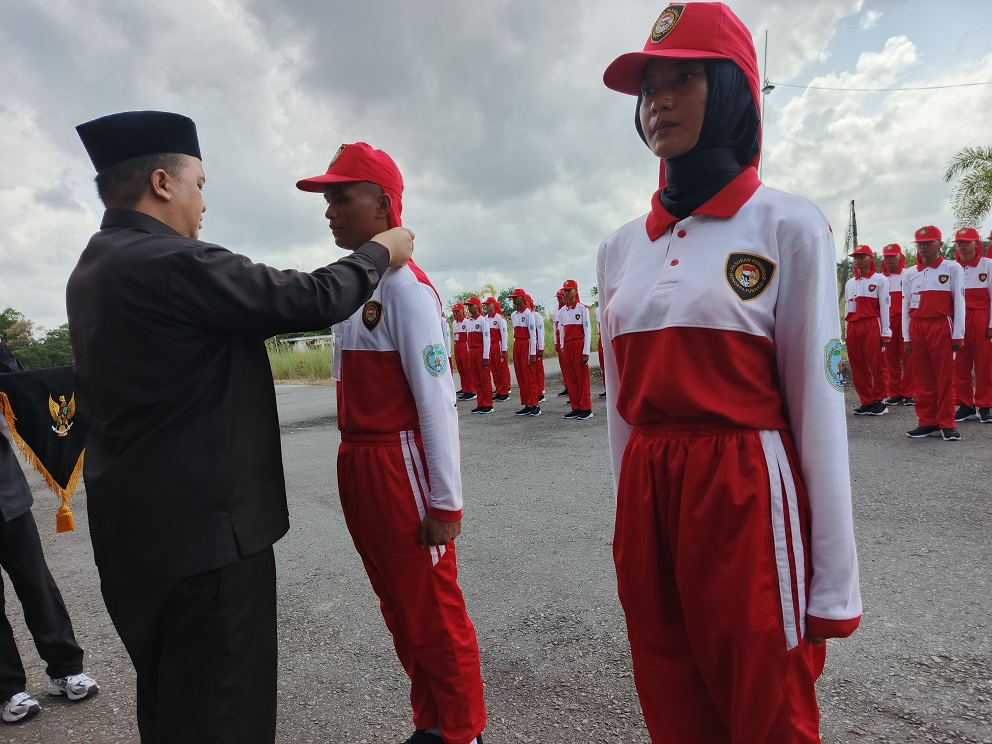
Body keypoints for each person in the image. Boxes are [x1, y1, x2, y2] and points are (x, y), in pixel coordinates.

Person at [66, 111, 413, 743]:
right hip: (203, 545)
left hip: (139, 540)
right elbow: (304, 297)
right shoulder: (169, 261)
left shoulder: (96, 265)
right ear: (164, 183)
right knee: (226, 713)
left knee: (177, 706)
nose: (205, 201)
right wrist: (380, 251)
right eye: (200, 183)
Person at [599, 4, 862, 741]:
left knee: (765, 706)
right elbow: (622, 406)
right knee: (670, 693)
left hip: (744, 491)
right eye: (650, 85)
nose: (660, 100)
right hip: (650, 494)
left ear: (736, 90)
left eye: (684, 77)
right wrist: (630, 523)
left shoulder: (786, 225)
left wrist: (833, 582)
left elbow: (817, 404)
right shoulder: (619, 249)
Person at [296, 143, 486, 744]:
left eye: (340, 197)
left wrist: (445, 501)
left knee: (433, 609)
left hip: (397, 463)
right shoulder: (353, 287)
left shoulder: (407, 290)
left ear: (381, 203)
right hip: (359, 460)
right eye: (326, 199)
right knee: (398, 606)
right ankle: (430, 720)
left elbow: (436, 401)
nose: (329, 210)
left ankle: (464, 730)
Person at [0, 413, 98, 724]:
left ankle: (66, 670)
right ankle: (7, 689)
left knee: (36, 582)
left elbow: (11, 377)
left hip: (5, 492)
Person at [904, 225, 965, 440]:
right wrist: (907, 337)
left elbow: (959, 302)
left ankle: (947, 423)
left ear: (940, 244)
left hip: (942, 325)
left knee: (945, 377)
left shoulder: (952, 268)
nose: (923, 247)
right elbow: (906, 308)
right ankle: (927, 421)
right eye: (920, 244)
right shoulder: (910, 273)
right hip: (918, 327)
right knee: (922, 377)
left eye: (928, 242)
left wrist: (958, 334)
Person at [951, 227, 992, 423]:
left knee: (984, 364)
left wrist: (991, 324)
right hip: (958, 317)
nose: (963, 246)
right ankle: (965, 404)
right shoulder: (951, 267)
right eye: (959, 242)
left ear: (977, 244)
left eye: (967, 242)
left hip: (981, 316)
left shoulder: (988, 265)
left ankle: (985, 404)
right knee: (960, 364)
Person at [843, 245, 890, 415]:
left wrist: (885, 332)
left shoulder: (880, 280)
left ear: (871, 259)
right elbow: (849, 308)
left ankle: (880, 400)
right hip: (854, 326)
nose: (858, 260)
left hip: (871, 323)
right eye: (855, 257)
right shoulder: (850, 283)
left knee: (877, 362)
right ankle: (866, 400)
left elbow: (885, 307)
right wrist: (847, 330)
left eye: (862, 257)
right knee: (858, 364)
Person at [880, 244, 914, 406]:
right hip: (888, 322)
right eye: (887, 257)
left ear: (901, 257)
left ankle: (910, 392)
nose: (890, 259)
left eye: (893, 256)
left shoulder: (908, 274)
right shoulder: (881, 279)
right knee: (890, 358)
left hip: (904, 319)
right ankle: (896, 392)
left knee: (908, 357)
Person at [559, 280, 592, 420]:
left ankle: (586, 408)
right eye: (565, 291)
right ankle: (576, 406)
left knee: (581, 377)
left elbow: (587, 330)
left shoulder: (582, 308)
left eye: (569, 290)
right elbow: (561, 330)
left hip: (578, 344)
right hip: (567, 345)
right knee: (570, 377)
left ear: (576, 291)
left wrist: (585, 351)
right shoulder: (562, 311)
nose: (566, 293)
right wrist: (562, 347)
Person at [508, 289, 539, 416]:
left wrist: (532, 353)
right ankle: (527, 403)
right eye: (513, 298)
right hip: (518, 344)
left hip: (526, 343)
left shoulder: (528, 314)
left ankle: (535, 404)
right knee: (521, 375)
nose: (514, 300)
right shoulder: (514, 315)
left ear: (522, 298)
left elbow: (533, 335)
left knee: (529, 376)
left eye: (516, 298)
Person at [464, 298, 493, 414]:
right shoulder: (469, 322)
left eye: (471, 306)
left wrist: (486, 356)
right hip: (472, 351)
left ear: (477, 306)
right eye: (468, 306)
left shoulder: (482, 321)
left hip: (480, 351)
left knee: (484, 378)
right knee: (476, 379)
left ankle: (488, 404)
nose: (469, 308)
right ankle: (480, 403)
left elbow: (487, 339)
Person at [483, 297, 510, 402]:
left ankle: (504, 392)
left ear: (494, 305)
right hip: (490, 346)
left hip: (497, 345)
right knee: (493, 369)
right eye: (486, 304)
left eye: (489, 304)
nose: (487, 306)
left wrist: (504, 349)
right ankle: (498, 390)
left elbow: (504, 335)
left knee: (501, 369)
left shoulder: (499, 318)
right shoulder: (485, 318)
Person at [451, 304, 476, 401]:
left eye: (458, 310)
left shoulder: (467, 322)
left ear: (462, 310)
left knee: (467, 368)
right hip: (457, 345)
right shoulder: (454, 323)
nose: (456, 313)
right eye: (455, 311)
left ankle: (471, 390)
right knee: (460, 367)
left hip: (464, 344)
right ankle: (465, 388)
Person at [525, 293, 546, 401]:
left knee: (538, 370)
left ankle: (540, 392)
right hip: (528, 347)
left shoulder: (536, 315)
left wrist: (541, 347)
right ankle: (533, 393)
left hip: (536, 346)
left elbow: (540, 332)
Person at [553, 290, 568, 397]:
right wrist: (555, 341)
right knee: (562, 364)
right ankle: (567, 386)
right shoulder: (556, 312)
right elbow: (555, 327)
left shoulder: (566, 310)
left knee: (568, 364)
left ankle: (570, 387)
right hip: (559, 338)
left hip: (566, 338)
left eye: (560, 297)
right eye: (557, 297)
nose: (559, 299)